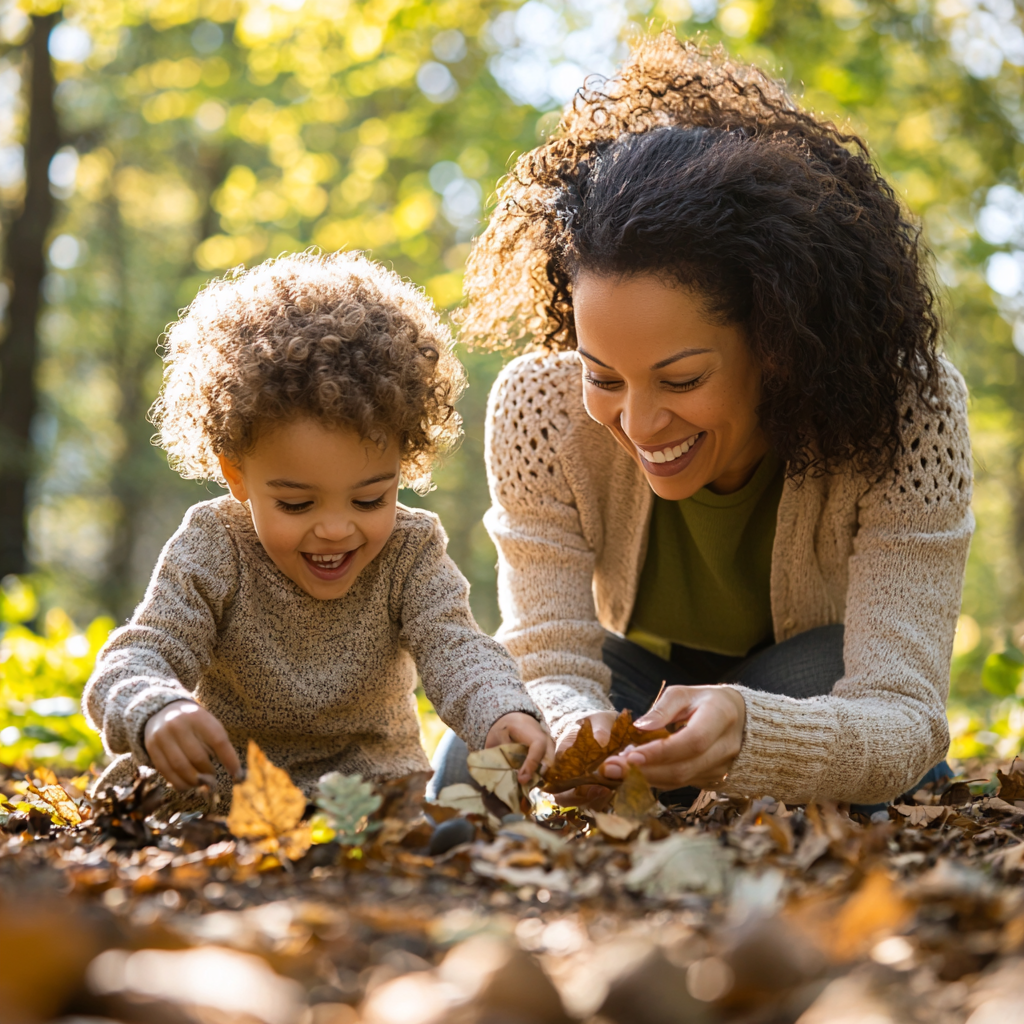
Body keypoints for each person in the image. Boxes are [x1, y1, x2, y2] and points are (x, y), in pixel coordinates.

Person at [432, 35, 972, 810]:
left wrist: (750, 732)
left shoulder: (909, 413)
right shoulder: (538, 410)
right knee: (469, 760)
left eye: (681, 378)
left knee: (827, 686)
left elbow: (903, 715)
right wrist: (590, 741)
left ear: (779, 343)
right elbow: (547, 661)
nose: (640, 423)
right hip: (629, 688)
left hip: (804, 686)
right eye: (603, 376)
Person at [85, 251, 552, 806]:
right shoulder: (215, 545)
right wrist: (158, 707)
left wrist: (503, 708)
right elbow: (138, 657)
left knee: (449, 820)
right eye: (297, 504)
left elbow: (456, 648)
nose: (335, 529)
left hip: (369, 792)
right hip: (228, 792)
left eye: (370, 498)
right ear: (237, 473)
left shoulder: (410, 552)